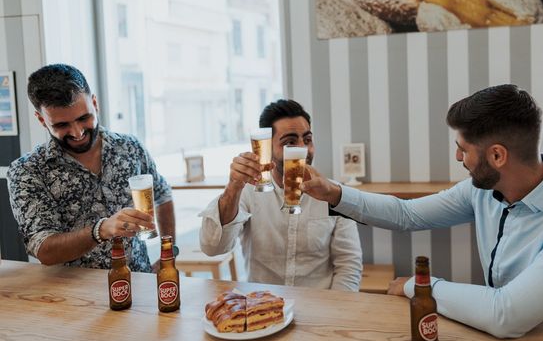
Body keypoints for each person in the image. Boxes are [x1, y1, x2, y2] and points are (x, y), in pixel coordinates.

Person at [301, 84, 543, 338]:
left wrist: (419, 287)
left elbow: (505, 314)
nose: (457, 157)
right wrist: (334, 193)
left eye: (463, 149)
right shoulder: (483, 192)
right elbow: (406, 214)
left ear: (497, 155)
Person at [7, 64, 175, 272]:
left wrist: (169, 254)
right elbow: (43, 249)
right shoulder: (27, 171)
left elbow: (162, 194)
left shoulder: (130, 147)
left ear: (95, 104)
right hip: (73, 297)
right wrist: (100, 230)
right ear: (42, 120)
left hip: (140, 281)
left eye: (83, 118)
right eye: (61, 125)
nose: (77, 132)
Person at [199, 99, 362, 291]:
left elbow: (349, 264)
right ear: (267, 147)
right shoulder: (248, 191)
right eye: (290, 142)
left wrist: (334, 312)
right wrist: (233, 187)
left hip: (319, 307)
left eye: (307, 140)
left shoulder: (334, 193)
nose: (303, 149)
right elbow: (212, 247)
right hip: (262, 306)